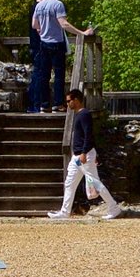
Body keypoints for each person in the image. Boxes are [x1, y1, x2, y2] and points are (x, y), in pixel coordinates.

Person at [47, 90, 121, 220]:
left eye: (69, 101)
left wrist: (84, 152)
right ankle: (65, 212)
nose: (68, 103)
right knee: (69, 183)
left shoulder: (85, 114)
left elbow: (89, 135)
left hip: (83, 156)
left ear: (76, 100)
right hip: (78, 157)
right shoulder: (78, 115)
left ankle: (113, 207)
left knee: (95, 182)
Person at [27, 0, 94, 112]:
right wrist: (82, 33)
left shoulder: (39, 5)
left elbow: (34, 25)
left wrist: (43, 30)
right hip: (56, 43)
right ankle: (57, 103)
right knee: (58, 75)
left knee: (44, 76)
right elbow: (64, 24)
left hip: (43, 43)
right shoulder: (57, 4)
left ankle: (44, 104)